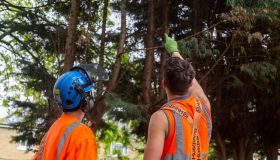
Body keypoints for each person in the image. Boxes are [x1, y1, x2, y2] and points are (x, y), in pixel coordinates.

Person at [144, 34, 212, 160]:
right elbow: (196, 87)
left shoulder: (161, 118)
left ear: (164, 84)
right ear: (190, 82)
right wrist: (174, 51)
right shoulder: (203, 107)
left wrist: (173, 51)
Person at [34, 64, 106, 160]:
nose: (91, 97)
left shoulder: (52, 130)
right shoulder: (83, 135)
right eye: (89, 93)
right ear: (85, 98)